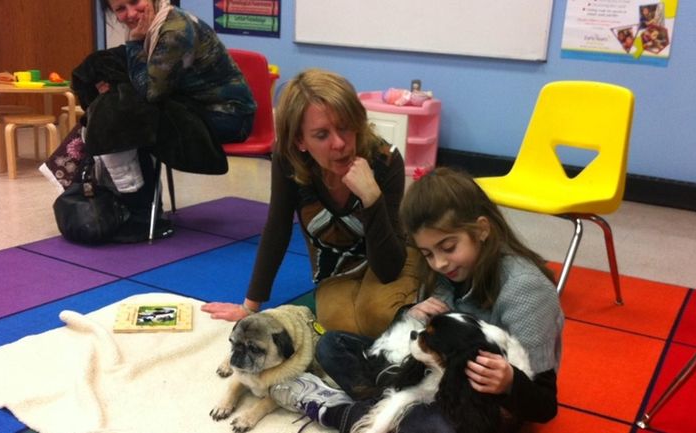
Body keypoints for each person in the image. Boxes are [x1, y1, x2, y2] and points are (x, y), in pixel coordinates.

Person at [268, 167, 564, 433]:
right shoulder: (446, 272)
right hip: (432, 379)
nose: (439, 263)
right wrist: (410, 312)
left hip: (484, 404)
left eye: (448, 247)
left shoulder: (526, 291)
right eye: (427, 254)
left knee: (440, 427)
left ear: (482, 229)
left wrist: (509, 382)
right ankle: (389, 409)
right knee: (332, 345)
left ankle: (335, 409)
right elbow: (422, 342)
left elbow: (544, 407)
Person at [201, 69, 419, 338]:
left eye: (344, 127)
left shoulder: (385, 160)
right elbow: (277, 228)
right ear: (299, 141)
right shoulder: (288, 158)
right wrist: (250, 307)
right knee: (338, 326)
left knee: (379, 315)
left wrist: (372, 198)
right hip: (337, 271)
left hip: (390, 260)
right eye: (321, 135)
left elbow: (388, 270)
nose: (339, 143)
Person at [84, 0, 255, 241]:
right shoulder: (153, 26)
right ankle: (129, 204)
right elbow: (144, 81)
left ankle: (143, 217)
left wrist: (134, 44)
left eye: (135, 2)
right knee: (117, 112)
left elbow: (151, 92)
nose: (131, 13)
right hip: (196, 107)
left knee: (133, 122)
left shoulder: (173, 30)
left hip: (230, 117)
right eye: (120, 9)